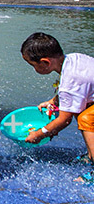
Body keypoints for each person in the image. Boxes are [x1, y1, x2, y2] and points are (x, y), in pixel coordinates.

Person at [22, 32, 94, 183]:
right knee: (78, 108)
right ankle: (90, 154)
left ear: (45, 62)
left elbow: (64, 120)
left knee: (86, 119)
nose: (33, 69)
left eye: (32, 65)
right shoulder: (73, 59)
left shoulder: (70, 82)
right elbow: (77, 91)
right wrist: (53, 101)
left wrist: (40, 134)